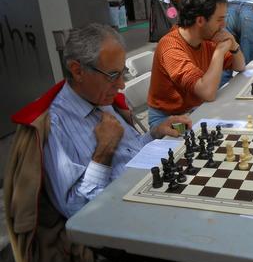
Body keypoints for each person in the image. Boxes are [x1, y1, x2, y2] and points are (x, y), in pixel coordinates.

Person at [43, 23, 191, 218]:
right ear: (77, 71)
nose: (121, 85)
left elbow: (129, 151)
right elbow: (75, 212)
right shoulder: (56, 124)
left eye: (122, 73)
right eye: (113, 75)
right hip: (122, 218)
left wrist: (155, 133)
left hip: (151, 189)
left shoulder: (100, 97)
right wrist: (104, 152)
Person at [147, 0, 245, 128]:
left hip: (196, 109)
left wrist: (234, 46)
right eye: (219, 19)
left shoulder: (207, 38)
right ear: (200, 20)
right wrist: (219, 52)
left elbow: (240, 66)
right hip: (169, 119)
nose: (224, 25)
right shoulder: (170, 47)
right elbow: (207, 93)